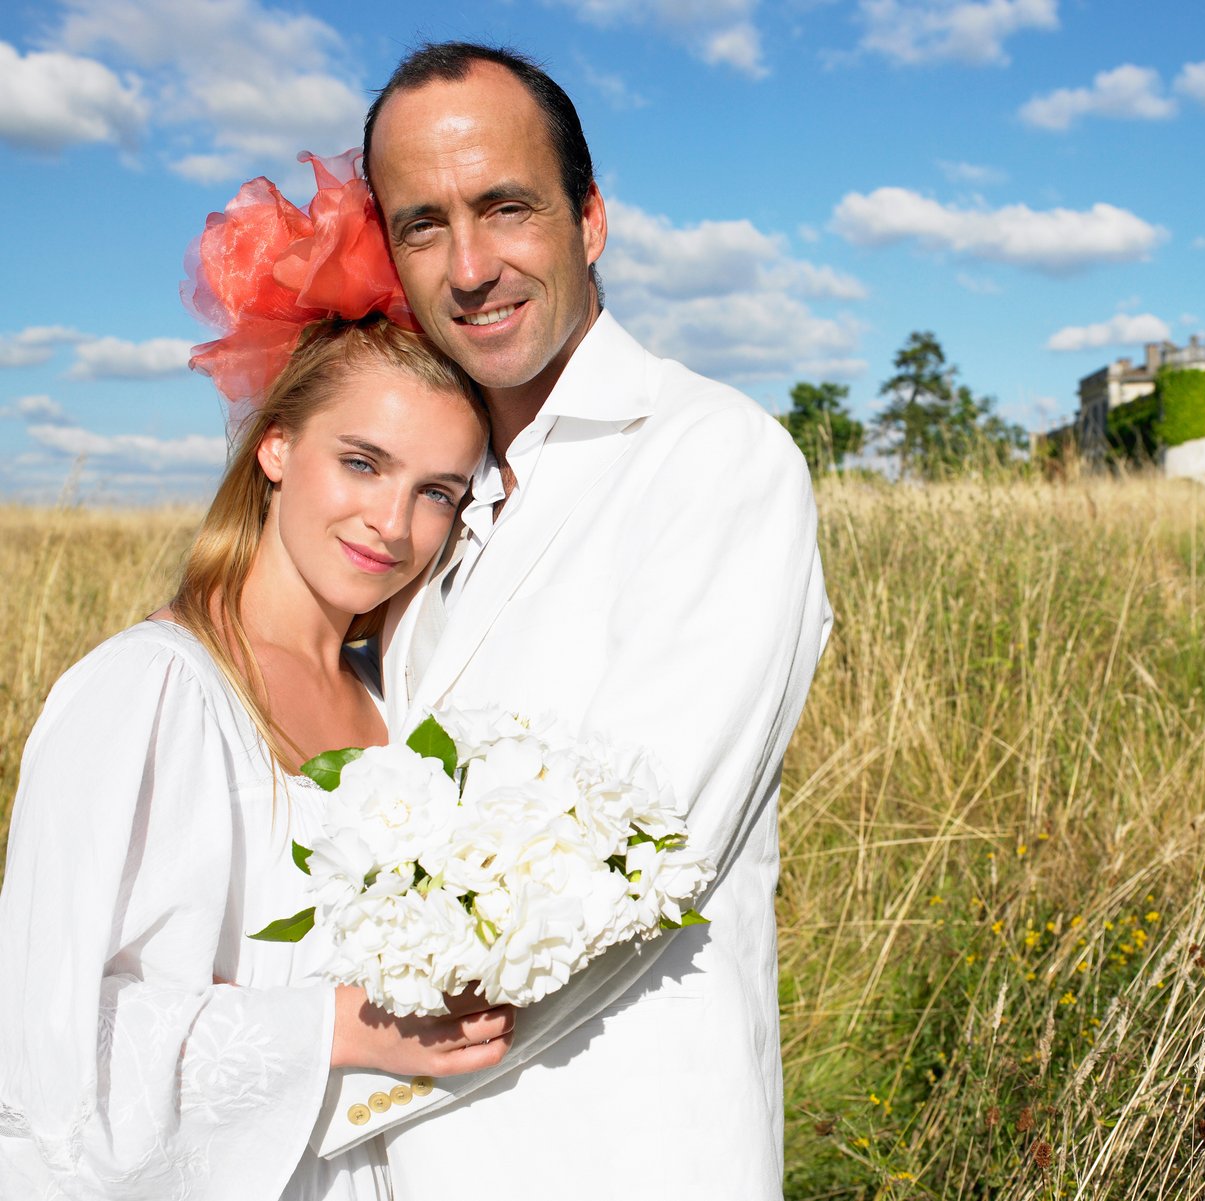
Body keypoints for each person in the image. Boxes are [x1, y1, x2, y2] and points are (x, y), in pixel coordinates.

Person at [317, 41, 832, 1199]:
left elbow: (623, 866)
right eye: (422, 224)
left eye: (507, 208)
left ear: (589, 219)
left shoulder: (713, 458)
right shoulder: (418, 510)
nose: (469, 267)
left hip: (620, 1146)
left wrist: (288, 1074)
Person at [0, 153, 505, 1200]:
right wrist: (338, 1025)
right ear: (275, 448)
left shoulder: (398, 706)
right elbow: (40, 1033)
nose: (391, 523)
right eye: (361, 463)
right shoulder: (147, 693)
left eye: (437, 493)